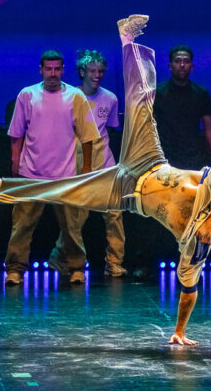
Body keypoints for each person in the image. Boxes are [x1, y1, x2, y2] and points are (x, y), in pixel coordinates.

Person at [0, 16, 211, 345]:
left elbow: (189, 292)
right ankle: (128, 40)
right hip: (148, 161)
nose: (205, 237)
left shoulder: (196, 250)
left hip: (126, 193)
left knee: (66, 192)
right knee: (141, 103)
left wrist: (179, 331)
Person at [3, 49, 100, 286]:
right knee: (22, 226)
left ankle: (76, 268)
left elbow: (88, 135)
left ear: (63, 70)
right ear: (41, 70)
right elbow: (16, 133)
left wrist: (86, 166)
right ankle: (15, 269)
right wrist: (15, 161)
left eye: (57, 69)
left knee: (71, 228)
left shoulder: (75, 96)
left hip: (64, 175)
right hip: (31, 172)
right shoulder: (27, 95)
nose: (53, 74)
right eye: (49, 69)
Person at [74, 49, 127, 278]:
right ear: (82, 72)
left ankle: (114, 262)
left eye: (101, 71)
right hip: (79, 160)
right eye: (92, 71)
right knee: (76, 216)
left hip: (105, 160)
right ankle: (63, 258)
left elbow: (110, 129)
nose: (97, 75)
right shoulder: (71, 97)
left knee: (114, 213)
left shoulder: (110, 98)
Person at [153, 44, 211, 170]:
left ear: (192, 67)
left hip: (193, 157)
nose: (182, 65)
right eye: (178, 61)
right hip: (164, 157)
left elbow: (210, 129)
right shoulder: (158, 93)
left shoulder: (201, 93)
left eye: (186, 61)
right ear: (170, 66)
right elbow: (150, 128)